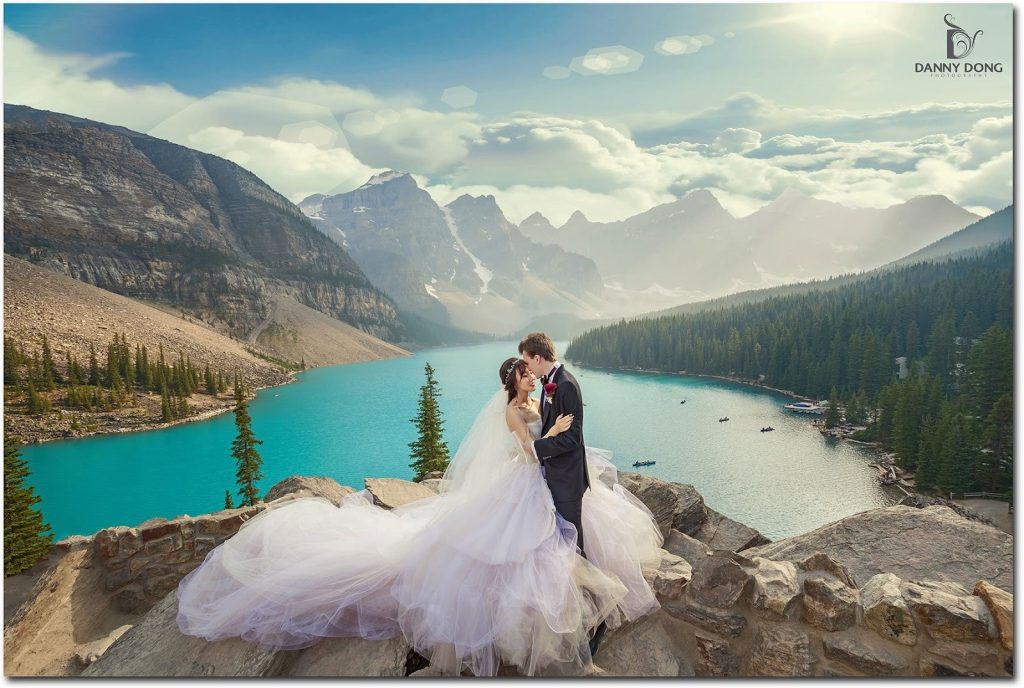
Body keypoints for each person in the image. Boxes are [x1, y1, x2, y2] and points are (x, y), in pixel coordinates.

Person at [175, 357, 663, 677]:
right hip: (527, 480)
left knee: (540, 543)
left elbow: (545, 434)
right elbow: (530, 455)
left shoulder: (534, 401)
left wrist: (550, 420)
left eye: (532, 376)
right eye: (526, 376)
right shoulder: (514, 413)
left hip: (535, 486)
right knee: (512, 551)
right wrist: (549, 431)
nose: (533, 380)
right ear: (513, 381)